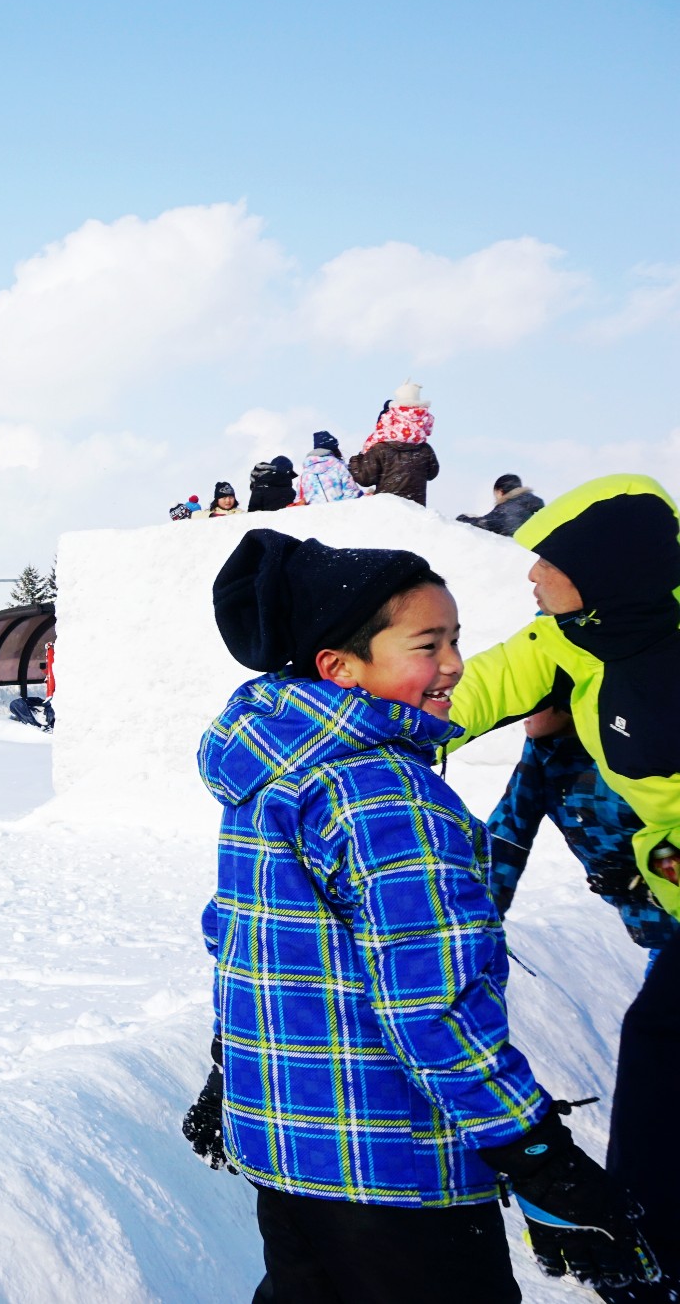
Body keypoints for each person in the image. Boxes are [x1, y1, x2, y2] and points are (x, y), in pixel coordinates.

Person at [183, 527, 657, 1300]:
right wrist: (538, 1154)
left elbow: (245, 941)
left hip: (287, 1151)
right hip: (393, 1166)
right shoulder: (385, 794)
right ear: (342, 667)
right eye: (427, 645)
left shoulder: (273, 774)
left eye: (457, 640)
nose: (455, 667)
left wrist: (228, 1066)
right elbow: (431, 1003)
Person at [447, 474, 680, 1299]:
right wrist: (382, 725)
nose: (531, 575)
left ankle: (645, 1253)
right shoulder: (570, 636)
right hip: (670, 912)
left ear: (607, 567)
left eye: (547, 559)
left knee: (661, 1049)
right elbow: (471, 690)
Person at [487, 702, 678, 959]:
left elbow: (668, 825)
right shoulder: (543, 752)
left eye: (534, 704)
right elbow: (506, 837)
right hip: (655, 931)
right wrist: (481, 921)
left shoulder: (631, 743)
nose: (520, 713)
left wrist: (638, 878)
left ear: (565, 703)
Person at [350, 381, 439, 506]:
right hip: (417, 512)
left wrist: (357, 459)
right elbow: (432, 473)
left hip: (388, 511)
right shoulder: (425, 449)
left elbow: (364, 478)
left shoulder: (380, 448)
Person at [458, 474, 546, 537]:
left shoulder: (508, 508)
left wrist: (464, 518)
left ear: (500, 492)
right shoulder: (532, 504)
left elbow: (488, 524)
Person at [293, 431, 365, 505]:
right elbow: (352, 494)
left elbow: (299, 501)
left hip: (315, 515)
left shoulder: (305, 474)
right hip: (341, 513)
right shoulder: (338, 466)